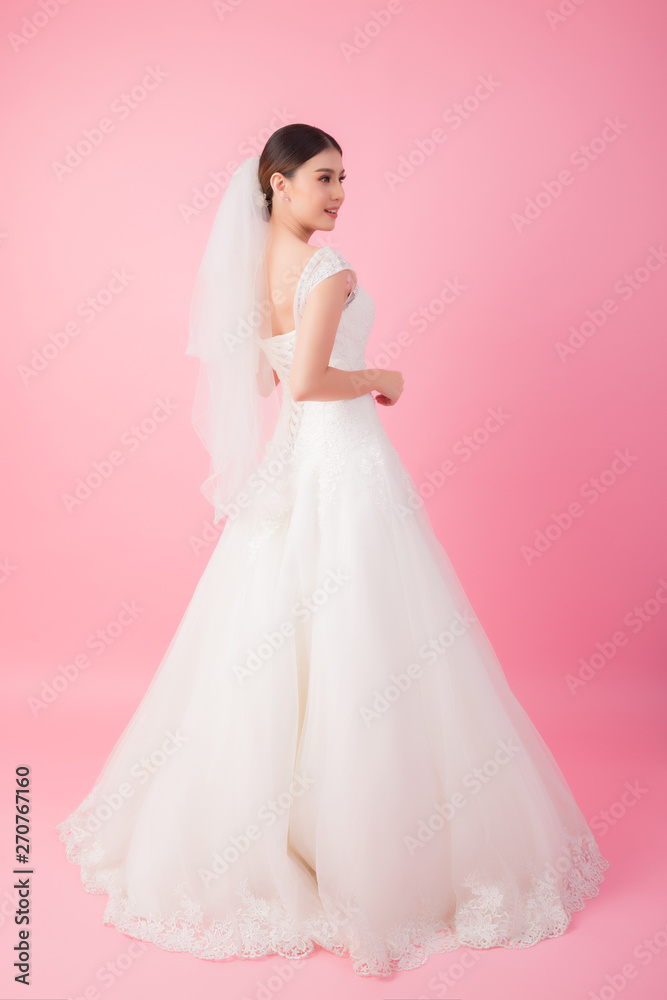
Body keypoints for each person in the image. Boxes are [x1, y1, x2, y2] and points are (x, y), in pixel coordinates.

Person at [57, 124, 609, 979]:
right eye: (322, 177)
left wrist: (302, 357)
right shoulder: (327, 271)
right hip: (343, 463)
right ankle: (368, 853)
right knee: (369, 634)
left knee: (278, 636)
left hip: (293, 467)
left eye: (344, 178)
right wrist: (381, 378)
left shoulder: (252, 276)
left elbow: (261, 380)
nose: (339, 193)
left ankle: (286, 830)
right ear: (276, 184)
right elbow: (312, 383)